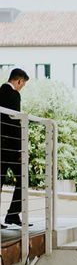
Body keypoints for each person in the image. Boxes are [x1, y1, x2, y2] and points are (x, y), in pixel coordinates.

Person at [0, 68, 30, 228]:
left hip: (1, 145)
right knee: (24, 177)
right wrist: (20, 148)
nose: (21, 87)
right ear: (19, 81)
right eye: (22, 84)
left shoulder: (0, 91)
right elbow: (14, 121)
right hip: (10, 147)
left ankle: (12, 215)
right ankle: (12, 214)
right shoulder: (13, 94)